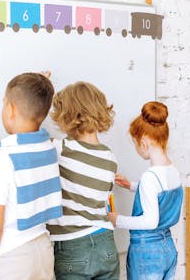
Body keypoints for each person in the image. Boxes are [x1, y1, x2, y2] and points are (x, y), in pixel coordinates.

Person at [0, 73, 62, 280]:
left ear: (11, 109)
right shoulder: (48, 147)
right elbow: (19, 169)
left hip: (11, 258)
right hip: (42, 251)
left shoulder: (2, 157)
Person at [46, 81, 120, 279]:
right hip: (106, 243)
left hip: (72, 246)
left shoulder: (60, 148)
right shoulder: (110, 157)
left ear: (67, 116)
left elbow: (22, 149)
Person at [108, 101, 183, 280]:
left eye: (135, 144)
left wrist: (117, 219)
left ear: (143, 143)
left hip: (147, 251)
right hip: (167, 247)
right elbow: (159, 193)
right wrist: (132, 185)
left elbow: (150, 221)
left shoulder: (150, 176)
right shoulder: (173, 171)